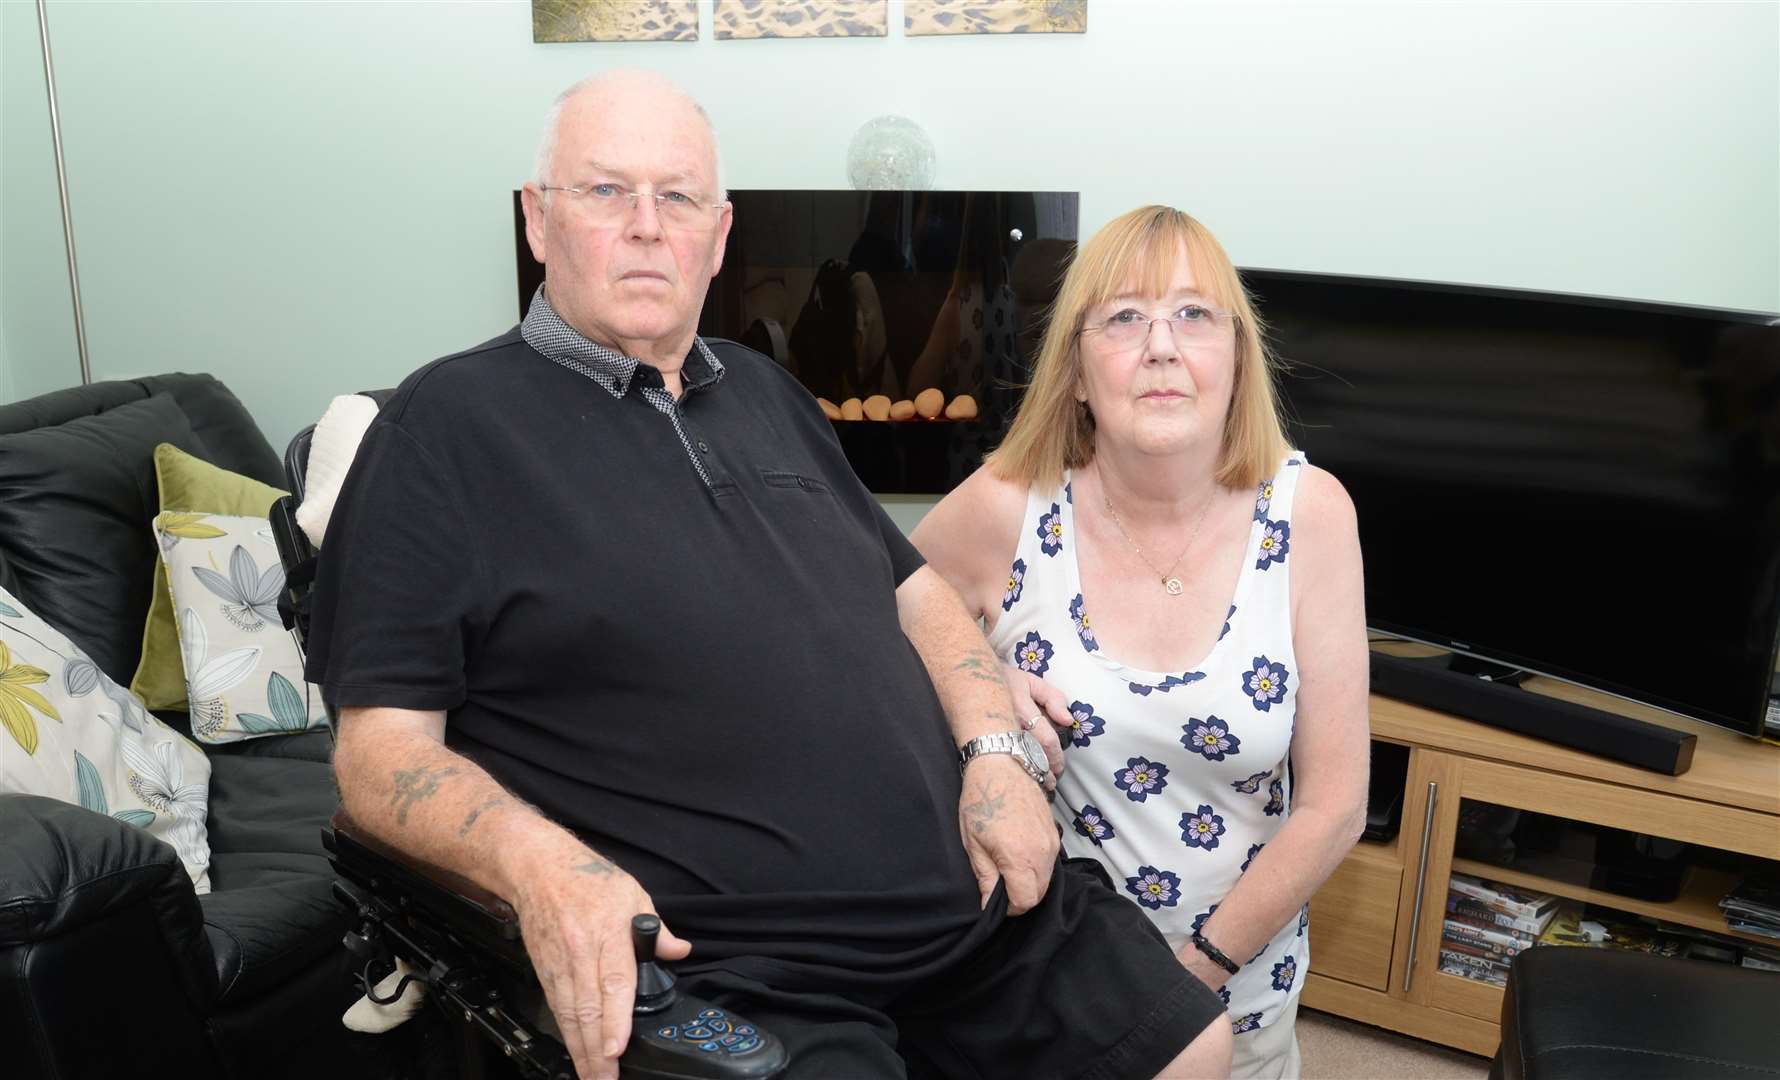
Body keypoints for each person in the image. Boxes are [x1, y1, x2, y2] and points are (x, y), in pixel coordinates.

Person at [303, 73, 1232, 1080]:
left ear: (719, 231)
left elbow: (916, 595)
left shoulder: (765, 391)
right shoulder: (444, 429)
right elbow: (378, 757)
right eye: (605, 192)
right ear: (538, 220)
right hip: (738, 964)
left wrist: (997, 754)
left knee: (1190, 1044)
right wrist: (540, 870)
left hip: (972, 911)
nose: (648, 228)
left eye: (679, 197)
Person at [912, 205, 1370, 1079]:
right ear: (1078, 371)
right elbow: (871, 621)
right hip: (1045, 990)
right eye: (1124, 317)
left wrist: (1185, 987)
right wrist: (984, 675)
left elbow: (1335, 806)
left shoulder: (1311, 515)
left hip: (1238, 1003)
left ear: (1236, 357)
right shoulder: (1009, 506)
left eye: (1195, 314)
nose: (1161, 345)